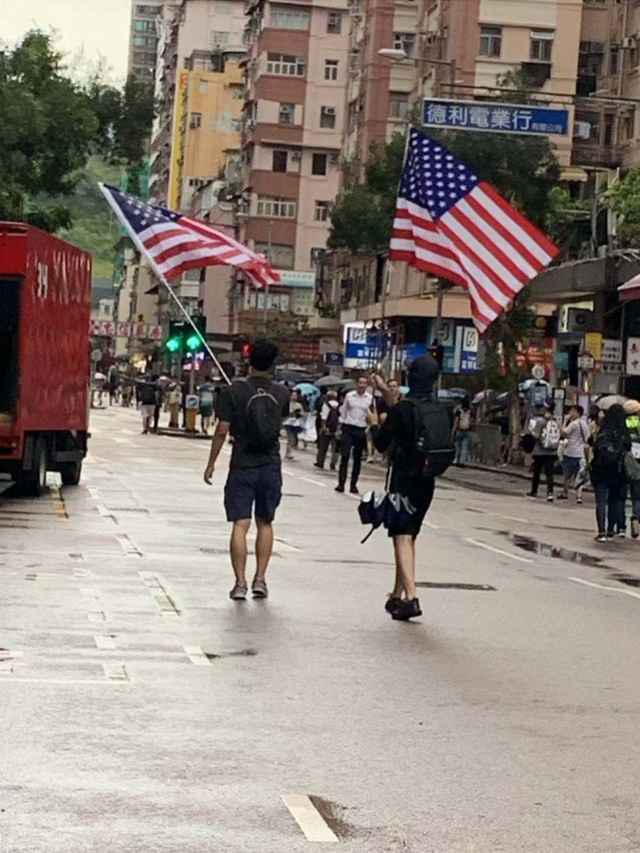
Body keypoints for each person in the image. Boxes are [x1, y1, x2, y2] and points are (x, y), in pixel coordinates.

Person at [203, 339, 289, 600]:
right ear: (273, 364)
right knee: (266, 522)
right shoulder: (283, 393)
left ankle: (239, 583)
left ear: (248, 361)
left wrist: (211, 463)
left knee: (240, 524)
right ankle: (260, 579)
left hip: (242, 463)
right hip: (270, 464)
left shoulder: (234, 391)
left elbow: (221, 430)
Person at [374, 354, 448, 622]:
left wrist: (375, 424)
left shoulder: (404, 409)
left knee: (401, 535)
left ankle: (412, 596)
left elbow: (382, 443)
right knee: (409, 534)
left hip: (403, 477)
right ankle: (397, 594)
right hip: (427, 480)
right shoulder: (440, 408)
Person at [590, 404, 630, 542]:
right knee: (614, 500)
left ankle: (601, 531)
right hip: (618, 471)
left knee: (601, 501)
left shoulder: (604, 431)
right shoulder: (624, 434)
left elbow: (595, 448)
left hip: (601, 470)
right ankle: (611, 530)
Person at [336, 376, 372, 494]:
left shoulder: (370, 398)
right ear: (357, 384)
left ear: (367, 385)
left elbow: (372, 414)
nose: (362, 385)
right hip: (348, 427)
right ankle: (341, 484)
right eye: (360, 383)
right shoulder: (349, 396)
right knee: (345, 456)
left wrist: (368, 427)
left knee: (357, 459)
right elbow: (343, 411)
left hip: (361, 429)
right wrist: (341, 425)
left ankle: (353, 485)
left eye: (364, 383)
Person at [527, 403, 560, 502]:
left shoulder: (540, 421)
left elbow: (536, 435)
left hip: (540, 451)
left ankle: (534, 491)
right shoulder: (556, 421)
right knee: (549, 473)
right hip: (552, 451)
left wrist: (531, 432)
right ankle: (550, 493)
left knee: (537, 471)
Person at [559, 405, 588, 503]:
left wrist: (564, 422)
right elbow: (588, 437)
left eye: (572, 411)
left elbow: (563, 433)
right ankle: (579, 496)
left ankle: (565, 492)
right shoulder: (584, 424)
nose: (570, 413)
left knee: (567, 474)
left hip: (570, 452)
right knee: (579, 475)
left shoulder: (573, 424)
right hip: (581, 453)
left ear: (577, 412)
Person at [624, 399, 640, 539]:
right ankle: (636, 517)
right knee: (638, 495)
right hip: (638, 462)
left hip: (626, 460)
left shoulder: (623, 423)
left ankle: (621, 525)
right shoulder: (638, 422)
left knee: (625, 494)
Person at [315, 389, 341, 470]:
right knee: (335, 448)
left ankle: (320, 462)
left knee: (323, 446)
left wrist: (323, 427)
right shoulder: (340, 405)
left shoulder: (326, 405)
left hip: (327, 428)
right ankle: (333, 463)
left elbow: (324, 417)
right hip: (336, 429)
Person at [283, 389, 305, 461]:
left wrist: (298, 414)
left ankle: (288, 453)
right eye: (293, 395)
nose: (294, 397)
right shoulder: (287, 404)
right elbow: (284, 414)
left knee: (292, 440)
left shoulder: (299, 405)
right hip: (288, 423)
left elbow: (302, 414)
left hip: (296, 423)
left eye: (295, 395)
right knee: (290, 439)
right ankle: (288, 454)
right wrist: (291, 413)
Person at [453, 398, 473, 466]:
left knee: (457, 446)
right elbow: (471, 421)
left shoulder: (459, 411)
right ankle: (462, 461)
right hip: (466, 430)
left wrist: (453, 432)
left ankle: (456, 460)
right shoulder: (470, 412)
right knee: (464, 446)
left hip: (459, 430)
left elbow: (456, 422)